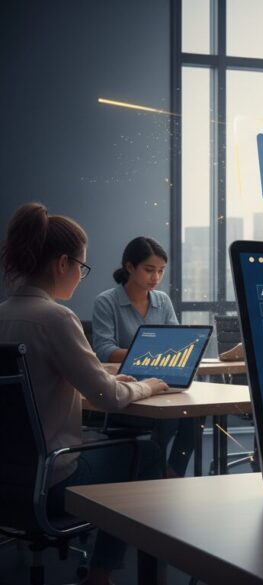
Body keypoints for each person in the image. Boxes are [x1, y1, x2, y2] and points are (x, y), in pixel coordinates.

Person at [0, 203, 169, 585]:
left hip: (7, 480)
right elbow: (107, 397)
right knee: (149, 453)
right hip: (50, 482)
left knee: (106, 440)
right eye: (82, 267)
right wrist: (148, 385)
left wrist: (118, 384)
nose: (80, 276)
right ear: (63, 263)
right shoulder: (57, 318)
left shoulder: (3, 314)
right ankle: (101, 573)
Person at [92, 236, 197, 477]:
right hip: (128, 387)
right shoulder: (107, 302)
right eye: (150, 270)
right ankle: (156, 474)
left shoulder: (162, 300)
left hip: (161, 383)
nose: (156, 278)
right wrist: (147, 356)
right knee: (170, 417)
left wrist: (160, 356)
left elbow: (177, 342)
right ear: (129, 267)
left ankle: (171, 473)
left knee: (193, 415)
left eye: (161, 271)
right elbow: (104, 350)